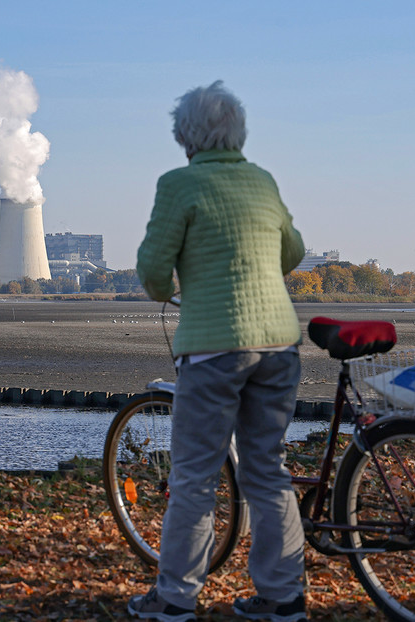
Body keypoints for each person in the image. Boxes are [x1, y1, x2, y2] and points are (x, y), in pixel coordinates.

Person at [128, 81, 308, 622]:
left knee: (195, 477)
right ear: (238, 131)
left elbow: (155, 274)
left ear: (186, 135)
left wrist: (187, 284)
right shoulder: (262, 180)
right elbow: (293, 250)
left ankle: (176, 597)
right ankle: (282, 597)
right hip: (279, 343)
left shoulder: (179, 185)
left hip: (212, 349)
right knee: (267, 469)